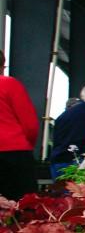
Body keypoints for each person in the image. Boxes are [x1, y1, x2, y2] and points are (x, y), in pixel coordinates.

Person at [0, 51, 39, 200]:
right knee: (24, 206)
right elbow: (30, 125)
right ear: (2, 66)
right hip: (14, 153)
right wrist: (27, 146)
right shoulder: (8, 83)